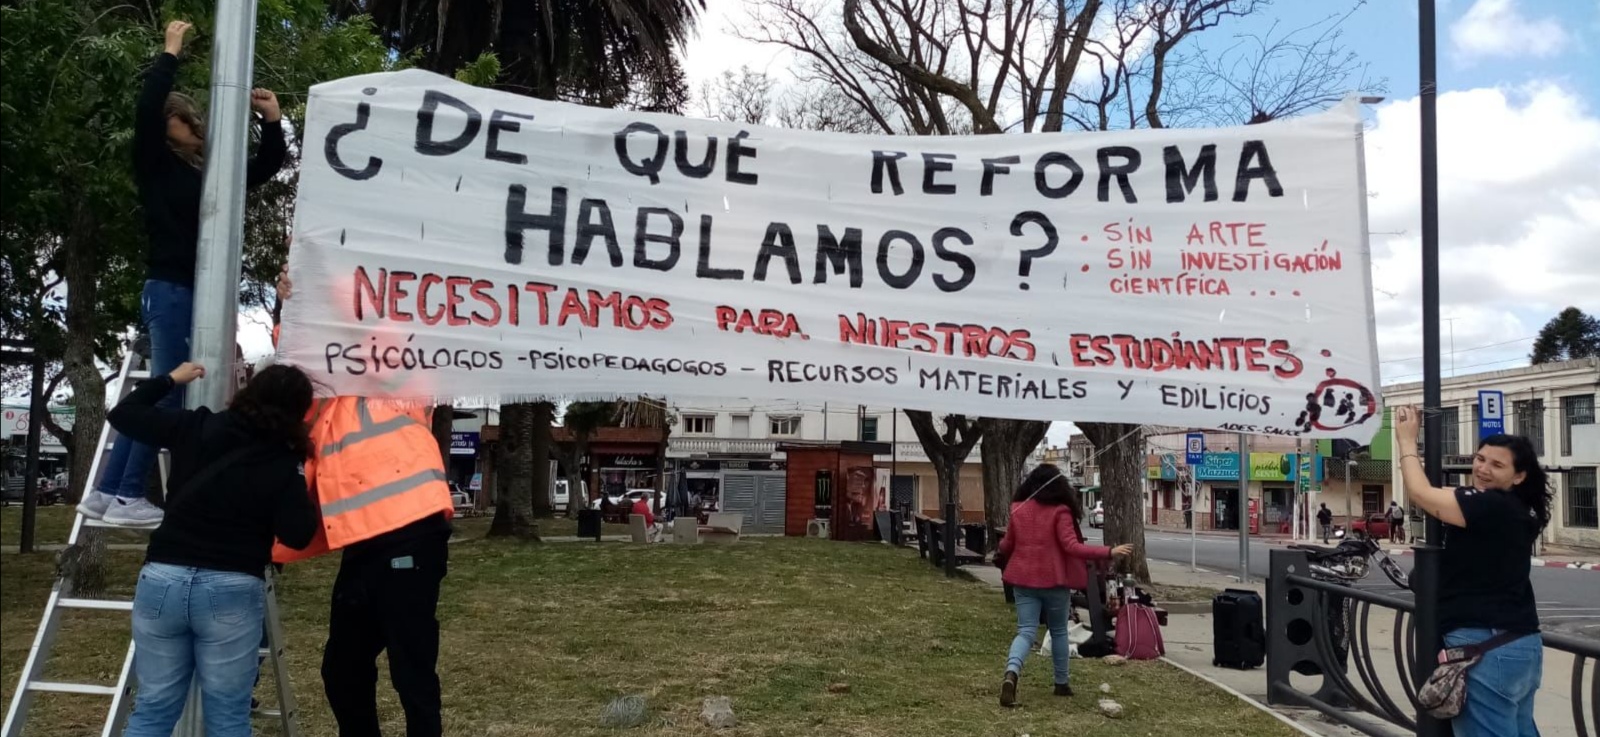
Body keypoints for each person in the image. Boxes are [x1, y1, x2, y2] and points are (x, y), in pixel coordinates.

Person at [78, 19, 287, 527]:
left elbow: (265, 166)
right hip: (169, 288)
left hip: (194, 291)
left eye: (194, 123)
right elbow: (148, 111)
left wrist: (273, 120)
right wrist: (169, 53)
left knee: (165, 388)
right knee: (168, 389)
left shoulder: (210, 175)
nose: (192, 129)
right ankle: (128, 493)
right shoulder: (154, 165)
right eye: (182, 122)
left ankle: (108, 493)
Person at [273, 268, 454, 737]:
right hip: (367, 538)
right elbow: (293, 368)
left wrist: (314, 289)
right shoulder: (327, 390)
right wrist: (291, 308)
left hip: (412, 527)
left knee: (410, 669)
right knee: (343, 669)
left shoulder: (397, 363)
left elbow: (375, 330)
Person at [109, 361, 318, 737]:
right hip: (231, 585)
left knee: (153, 709)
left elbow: (124, 414)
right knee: (228, 717)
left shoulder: (195, 425)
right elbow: (299, 534)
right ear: (299, 412)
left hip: (163, 578)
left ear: (248, 393)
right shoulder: (283, 461)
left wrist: (169, 380)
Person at [1394, 406, 1547, 737]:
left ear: (1519, 476)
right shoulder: (1515, 509)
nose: (1483, 468)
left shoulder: (1489, 506)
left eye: (1497, 464)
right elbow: (1444, 496)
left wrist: (1407, 442)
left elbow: (1422, 494)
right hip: (1522, 644)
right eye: (1480, 459)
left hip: (1484, 646)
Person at [994, 464, 1132, 707]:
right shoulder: (1061, 512)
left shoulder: (1019, 509)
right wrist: (1108, 551)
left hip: (1022, 579)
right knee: (1058, 631)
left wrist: (999, 552)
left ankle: (1011, 673)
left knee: (1025, 631)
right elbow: (1072, 547)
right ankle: (1061, 683)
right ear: (1059, 486)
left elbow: (1007, 544)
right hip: (1054, 581)